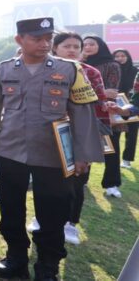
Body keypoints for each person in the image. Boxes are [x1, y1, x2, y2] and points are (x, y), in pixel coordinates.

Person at [0, 17, 102, 280]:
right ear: (19, 40)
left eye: (49, 38)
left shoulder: (71, 70)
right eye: (37, 38)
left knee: (53, 212)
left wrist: (82, 154)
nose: (45, 44)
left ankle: (47, 267)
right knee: (10, 208)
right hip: (11, 151)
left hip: (53, 154)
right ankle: (15, 259)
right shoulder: (3, 69)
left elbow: (82, 114)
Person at [46, 32, 111, 246]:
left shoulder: (90, 73)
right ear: (55, 48)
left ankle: (70, 223)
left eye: (76, 46)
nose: (72, 50)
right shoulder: (43, 70)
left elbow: (100, 106)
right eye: (67, 46)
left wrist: (95, 138)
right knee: (47, 179)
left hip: (81, 134)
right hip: (49, 134)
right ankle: (42, 217)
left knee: (77, 180)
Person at [82, 35, 123, 198]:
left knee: (111, 149)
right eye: (84, 44)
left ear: (101, 46)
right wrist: (99, 92)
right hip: (83, 112)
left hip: (106, 112)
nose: (88, 47)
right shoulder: (78, 65)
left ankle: (111, 184)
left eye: (92, 44)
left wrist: (99, 95)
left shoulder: (112, 65)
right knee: (85, 147)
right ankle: (82, 180)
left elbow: (111, 92)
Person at [113, 49, 138, 169]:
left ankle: (127, 159)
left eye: (123, 56)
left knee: (131, 133)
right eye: (117, 56)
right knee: (115, 133)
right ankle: (114, 160)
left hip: (132, 104)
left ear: (128, 57)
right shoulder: (112, 70)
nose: (120, 58)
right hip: (115, 103)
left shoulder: (135, 70)